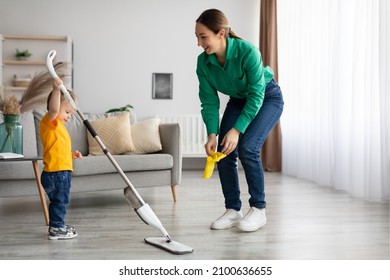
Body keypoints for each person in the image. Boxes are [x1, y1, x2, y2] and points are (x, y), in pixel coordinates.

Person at [195, 9, 284, 232]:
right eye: (196, 37)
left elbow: (256, 95)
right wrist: (212, 134)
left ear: (221, 33)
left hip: (267, 97)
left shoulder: (248, 52)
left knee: (247, 147)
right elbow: (209, 101)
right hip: (238, 100)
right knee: (223, 151)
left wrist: (236, 129)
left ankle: (259, 209)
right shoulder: (203, 63)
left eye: (203, 36)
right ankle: (233, 210)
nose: (199, 43)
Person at [40, 77, 83, 240]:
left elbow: (57, 151)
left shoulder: (59, 128)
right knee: (60, 202)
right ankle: (57, 229)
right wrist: (57, 90)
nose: (69, 116)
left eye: (71, 113)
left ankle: (57, 225)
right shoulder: (51, 121)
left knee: (59, 201)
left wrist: (71, 155)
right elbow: (53, 109)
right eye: (67, 111)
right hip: (57, 174)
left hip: (60, 172)